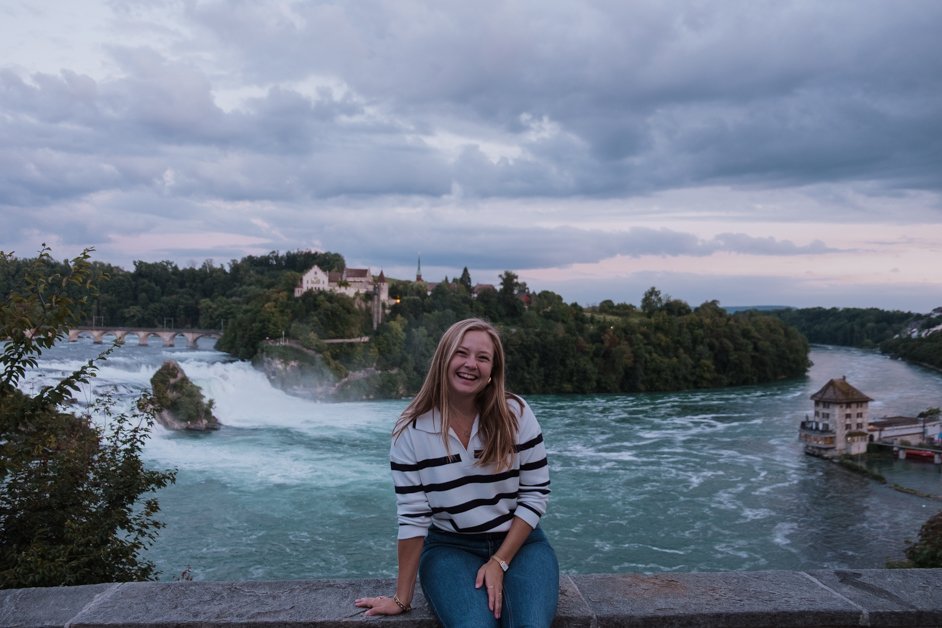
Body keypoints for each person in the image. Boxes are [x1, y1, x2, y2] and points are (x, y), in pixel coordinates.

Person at [355, 318, 558, 627]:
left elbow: (535, 493)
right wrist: (401, 598)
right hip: (450, 548)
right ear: (444, 359)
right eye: (461, 353)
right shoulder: (411, 431)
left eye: (483, 357)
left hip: (521, 546)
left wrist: (499, 561)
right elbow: (413, 517)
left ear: (493, 370)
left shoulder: (516, 414)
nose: (470, 364)